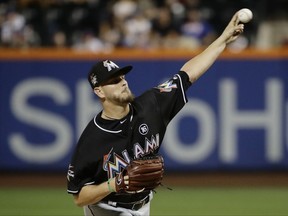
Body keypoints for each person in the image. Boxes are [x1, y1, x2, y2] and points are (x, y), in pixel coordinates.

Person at [67, 11, 244, 216]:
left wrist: (222, 40)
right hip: (106, 209)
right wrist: (113, 185)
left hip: (143, 207)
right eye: (114, 81)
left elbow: (187, 74)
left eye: (122, 77)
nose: (123, 82)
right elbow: (79, 197)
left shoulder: (152, 104)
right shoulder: (92, 140)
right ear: (99, 91)